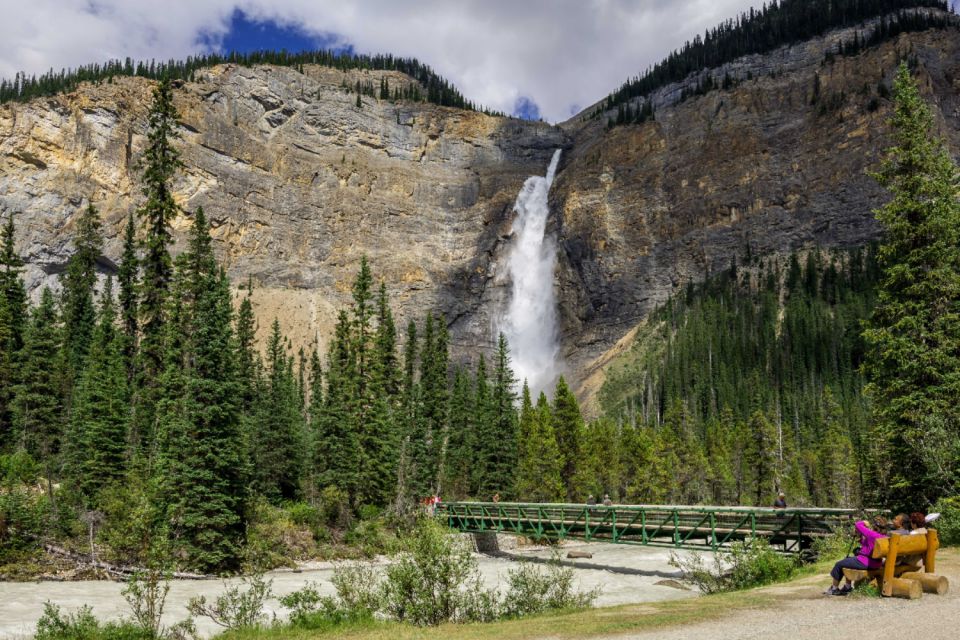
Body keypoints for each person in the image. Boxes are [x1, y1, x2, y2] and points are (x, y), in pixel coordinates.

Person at [825, 516, 888, 596]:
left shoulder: (871, 534)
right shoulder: (884, 537)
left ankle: (834, 589)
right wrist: (861, 539)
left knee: (839, 564)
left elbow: (858, 524)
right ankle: (847, 587)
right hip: (876, 563)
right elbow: (870, 546)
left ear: (874, 526)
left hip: (866, 562)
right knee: (847, 560)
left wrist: (865, 522)